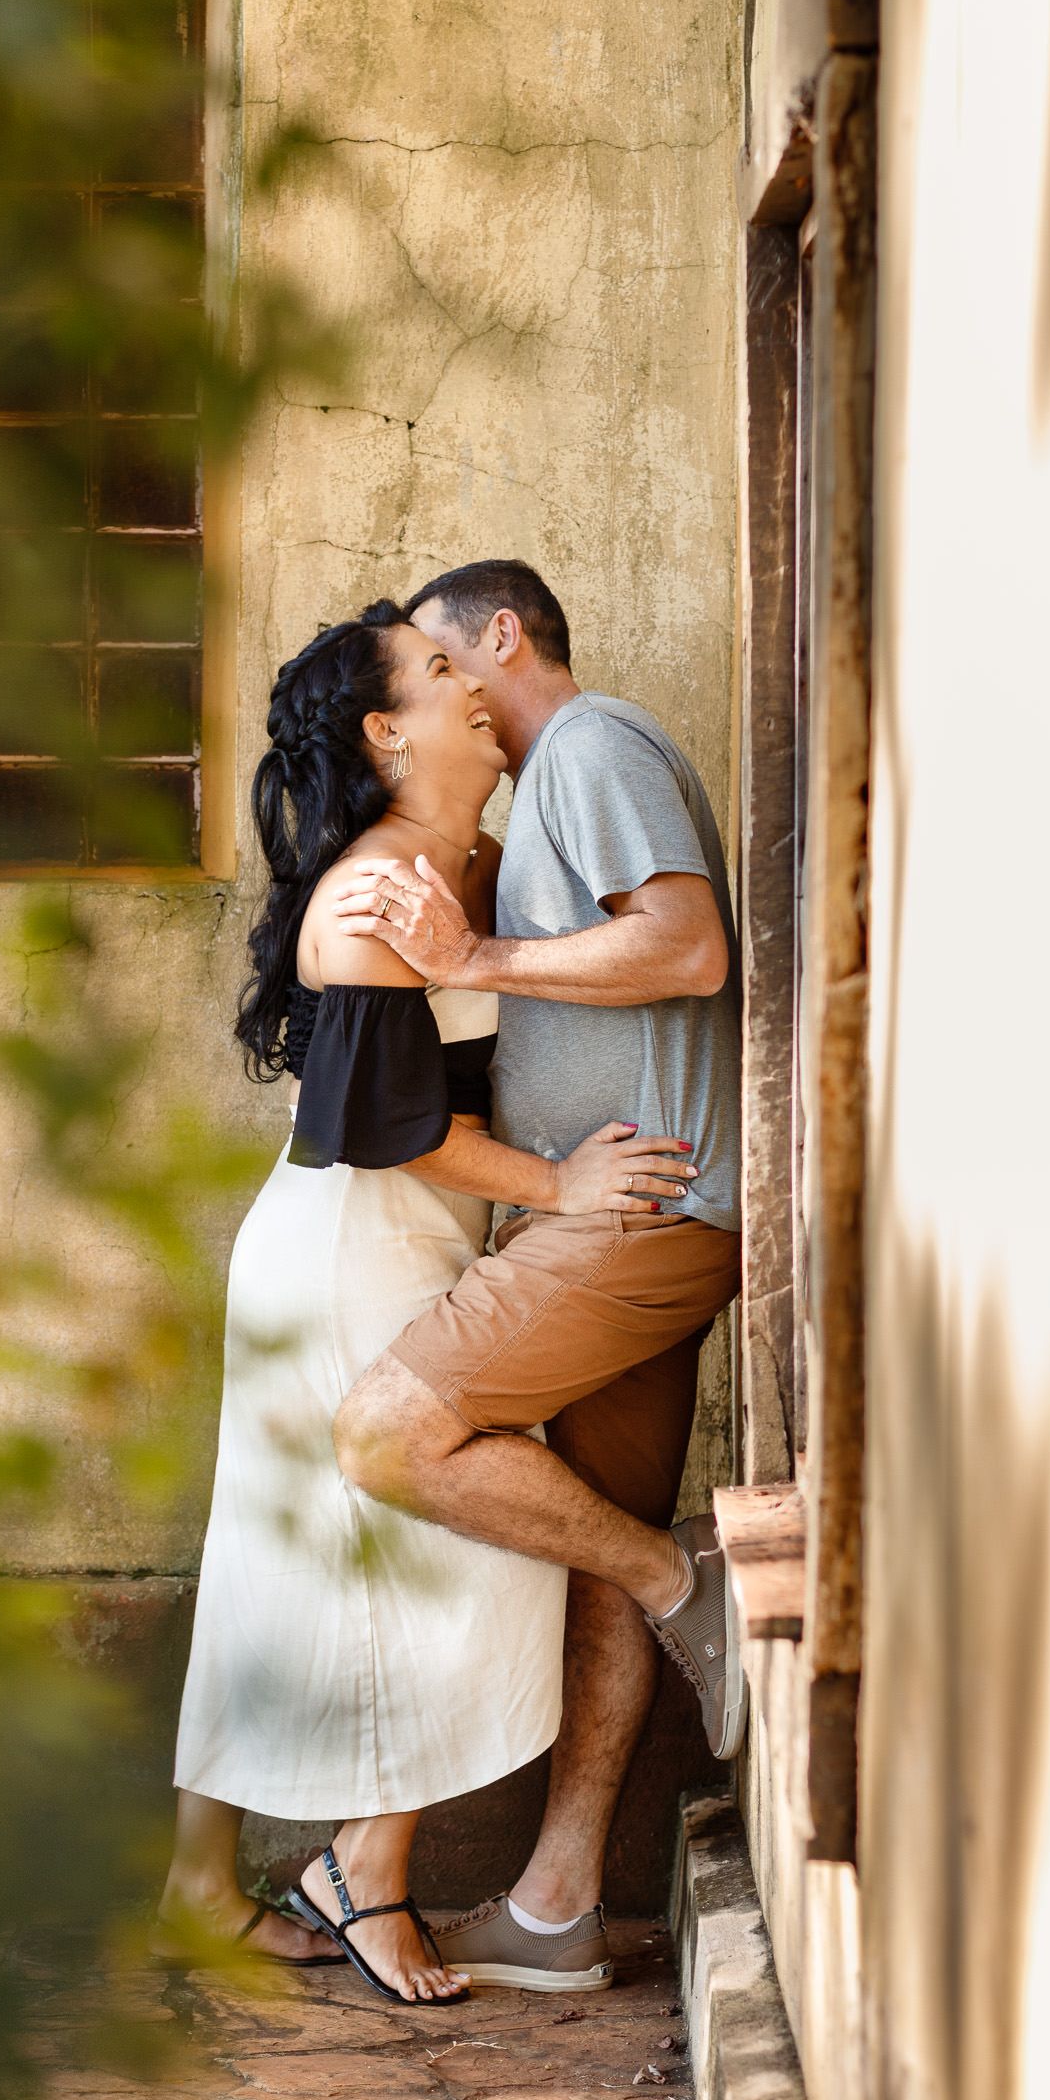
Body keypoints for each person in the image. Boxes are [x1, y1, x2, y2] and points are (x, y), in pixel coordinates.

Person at [157, 601, 700, 2005]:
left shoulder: (481, 861)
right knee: (398, 1550)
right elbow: (381, 1125)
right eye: (438, 669)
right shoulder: (373, 891)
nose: (474, 686)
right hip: (350, 1239)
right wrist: (562, 1187)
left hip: (405, 1242)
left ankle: (198, 1891)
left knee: (291, 1551)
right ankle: (367, 1878)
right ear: (384, 732)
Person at [330, 559, 744, 1995]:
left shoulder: (590, 743)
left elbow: (686, 948)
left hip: (635, 1217)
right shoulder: (554, 790)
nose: (446, 695)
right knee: (590, 1553)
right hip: (639, 1216)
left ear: (503, 636)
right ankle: (559, 1906)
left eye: (445, 665)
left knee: (390, 1433)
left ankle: (680, 1575)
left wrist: (486, 950)